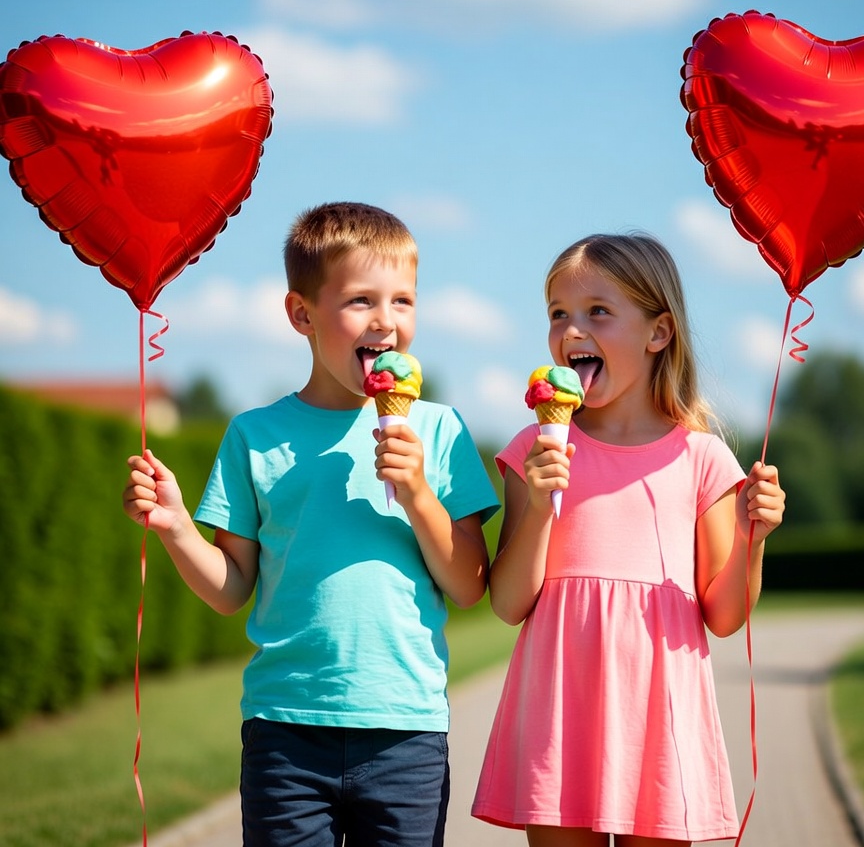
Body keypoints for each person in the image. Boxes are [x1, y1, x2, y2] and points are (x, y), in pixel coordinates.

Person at [123, 202, 500, 847]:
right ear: (301, 314)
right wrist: (178, 527)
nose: (386, 321)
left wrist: (417, 493)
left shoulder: (441, 431)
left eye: (403, 301)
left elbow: (469, 586)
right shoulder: (254, 435)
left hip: (406, 731)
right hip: (285, 732)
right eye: (360, 300)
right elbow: (232, 587)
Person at [471, 232, 785, 847]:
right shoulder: (534, 450)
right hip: (562, 716)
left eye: (598, 312)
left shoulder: (702, 458)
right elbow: (508, 603)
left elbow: (723, 616)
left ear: (659, 332)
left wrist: (755, 535)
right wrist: (538, 503)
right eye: (559, 314)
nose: (572, 332)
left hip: (660, 718)